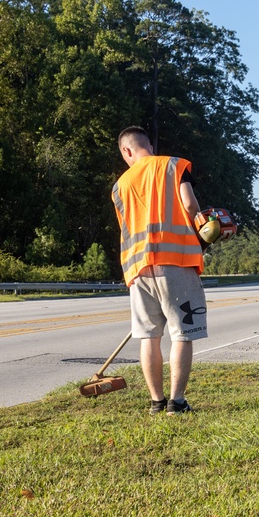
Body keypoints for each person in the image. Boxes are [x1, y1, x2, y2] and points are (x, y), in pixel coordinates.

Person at [112, 126, 208, 415]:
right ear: (149, 146)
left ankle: (156, 401)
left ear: (126, 151)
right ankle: (176, 402)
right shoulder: (173, 166)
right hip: (176, 261)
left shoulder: (119, 186)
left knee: (148, 336)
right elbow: (190, 205)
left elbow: (126, 228)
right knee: (182, 333)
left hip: (138, 268)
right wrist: (206, 232)